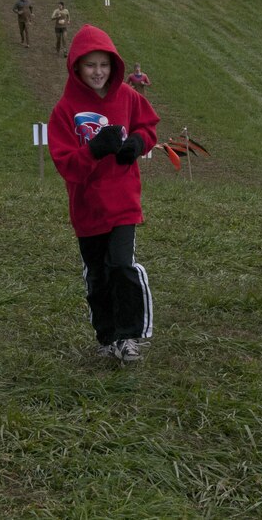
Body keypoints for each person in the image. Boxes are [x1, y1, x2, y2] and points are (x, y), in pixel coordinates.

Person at [48, 24, 160, 362]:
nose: (98, 72)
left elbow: (148, 126)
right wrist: (94, 150)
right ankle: (107, 336)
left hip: (123, 202)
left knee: (122, 266)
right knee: (97, 275)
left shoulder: (127, 97)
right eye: (90, 65)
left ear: (114, 66)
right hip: (87, 209)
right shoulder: (64, 111)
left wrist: (138, 143)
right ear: (77, 67)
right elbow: (66, 164)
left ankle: (130, 336)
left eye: (104, 64)